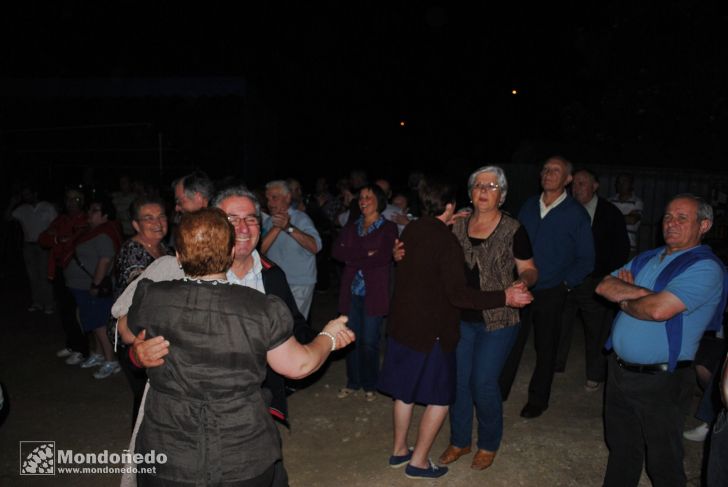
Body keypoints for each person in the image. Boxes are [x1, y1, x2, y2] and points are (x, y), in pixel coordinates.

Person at [127, 208, 354, 486]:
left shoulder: (152, 296)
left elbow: (127, 332)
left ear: (178, 256)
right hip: (242, 452)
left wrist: (135, 353)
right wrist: (328, 337)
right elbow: (299, 365)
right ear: (232, 251)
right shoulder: (261, 308)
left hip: (167, 454)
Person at [377, 179, 533, 480]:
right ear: (450, 206)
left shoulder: (413, 229)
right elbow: (458, 295)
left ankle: (400, 450)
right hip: (433, 328)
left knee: (406, 393)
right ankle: (419, 462)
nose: (482, 192)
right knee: (441, 396)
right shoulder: (447, 240)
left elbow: (414, 262)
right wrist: (505, 296)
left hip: (406, 326)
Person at [596, 193, 727, 487]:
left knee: (663, 461)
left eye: (683, 218)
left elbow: (658, 311)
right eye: (668, 216)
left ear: (704, 225)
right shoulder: (648, 257)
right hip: (618, 371)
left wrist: (627, 297)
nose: (671, 223)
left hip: (661, 380)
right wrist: (647, 294)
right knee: (621, 450)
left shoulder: (705, 267)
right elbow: (604, 285)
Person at [438, 166, 538, 471]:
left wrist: (524, 282)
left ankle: (489, 443)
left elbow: (529, 268)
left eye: (492, 186)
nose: (484, 189)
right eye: (478, 185)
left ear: (502, 195)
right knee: (459, 381)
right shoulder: (456, 225)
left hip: (499, 318)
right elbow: (431, 253)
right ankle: (459, 440)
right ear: (470, 192)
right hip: (460, 317)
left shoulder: (513, 229)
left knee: (482, 382)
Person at [500, 156, 595, 419]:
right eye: (545, 169)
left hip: (552, 290)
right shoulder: (529, 205)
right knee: (509, 341)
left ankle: (538, 400)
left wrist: (565, 284)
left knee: (546, 348)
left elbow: (586, 259)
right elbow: (513, 242)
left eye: (555, 170)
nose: (547, 173)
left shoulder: (576, 214)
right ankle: (499, 390)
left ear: (568, 179)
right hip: (521, 285)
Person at [556, 168, 630, 390]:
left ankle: (595, 374)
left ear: (595, 186)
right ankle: (556, 365)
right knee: (560, 324)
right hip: (567, 278)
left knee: (597, 330)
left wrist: (607, 276)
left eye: (582, 183)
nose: (576, 188)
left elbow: (620, 249)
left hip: (595, 280)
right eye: (574, 184)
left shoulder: (609, 213)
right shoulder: (565, 210)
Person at [332, 184, 398, 402]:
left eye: (368, 197)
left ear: (379, 200)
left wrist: (354, 255)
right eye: (361, 197)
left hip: (374, 293)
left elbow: (382, 258)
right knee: (350, 340)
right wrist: (364, 252)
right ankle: (353, 382)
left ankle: (370, 383)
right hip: (351, 293)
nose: (363, 200)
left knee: (370, 341)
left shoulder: (388, 228)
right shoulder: (352, 226)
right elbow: (337, 252)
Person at [114, 196, 171, 425]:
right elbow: (142, 296)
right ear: (136, 224)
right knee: (144, 397)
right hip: (132, 333)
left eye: (161, 216)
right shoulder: (133, 252)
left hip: (152, 331)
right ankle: (141, 452)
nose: (157, 222)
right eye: (149, 218)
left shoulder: (163, 248)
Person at [64, 195, 122, 379]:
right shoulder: (94, 231)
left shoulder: (103, 233)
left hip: (93, 286)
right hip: (83, 286)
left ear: (105, 215)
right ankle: (99, 354)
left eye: (95, 210)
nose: (90, 213)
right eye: (90, 209)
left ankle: (111, 361)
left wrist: (96, 285)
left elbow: (105, 260)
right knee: (93, 321)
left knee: (99, 324)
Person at [39, 189, 90, 364]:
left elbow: (74, 241)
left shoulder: (85, 219)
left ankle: (83, 349)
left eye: (75, 199)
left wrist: (59, 238)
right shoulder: (62, 219)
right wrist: (58, 239)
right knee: (64, 310)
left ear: (81, 201)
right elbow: (43, 238)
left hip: (76, 271)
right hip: (59, 269)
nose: (71, 203)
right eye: (68, 199)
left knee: (77, 312)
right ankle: (72, 344)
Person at [262, 180, 322, 319]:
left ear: (287, 197)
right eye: (268, 198)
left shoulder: (301, 219)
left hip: (299, 283)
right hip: (276, 283)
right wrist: (277, 227)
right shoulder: (268, 221)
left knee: (295, 326)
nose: (270, 203)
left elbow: (315, 247)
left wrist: (288, 227)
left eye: (274, 198)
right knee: (277, 325)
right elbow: (260, 251)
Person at [6, 183, 57, 314]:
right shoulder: (23, 209)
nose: (26, 197)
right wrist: (12, 203)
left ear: (35, 193)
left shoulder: (47, 206)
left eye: (28, 194)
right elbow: (7, 217)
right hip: (29, 245)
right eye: (24, 195)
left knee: (45, 275)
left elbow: (56, 224)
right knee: (32, 275)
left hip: (44, 246)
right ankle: (37, 302)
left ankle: (49, 303)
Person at [608, 172, 643, 256]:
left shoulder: (637, 202)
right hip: (610, 246)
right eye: (619, 182)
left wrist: (613, 217)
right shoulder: (609, 201)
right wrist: (626, 216)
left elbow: (632, 220)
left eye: (624, 181)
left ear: (631, 184)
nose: (621, 184)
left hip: (629, 247)